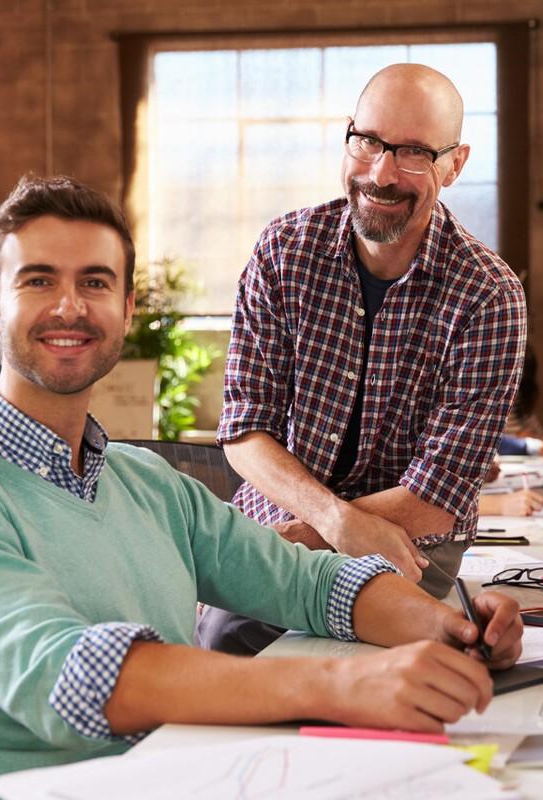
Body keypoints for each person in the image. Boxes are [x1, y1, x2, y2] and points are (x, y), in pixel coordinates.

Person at [0, 175, 524, 800]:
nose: (69, 306)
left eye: (95, 282)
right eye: (38, 280)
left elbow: (308, 581)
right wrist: (342, 683)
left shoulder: (147, 484)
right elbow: (77, 676)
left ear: (126, 309)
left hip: (196, 774)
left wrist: (453, 630)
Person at [216, 63, 527, 611]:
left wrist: (322, 540)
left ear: (454, 165)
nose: (381, 174)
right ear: (349, 134)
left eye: (414, 153)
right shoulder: (284, 252)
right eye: (368, 142)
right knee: (223, 648)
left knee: (375, 666)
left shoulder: (488, 296)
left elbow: (439, 493)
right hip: (278, 522)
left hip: (412, 542)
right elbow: (246, 430)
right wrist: (335, 521)